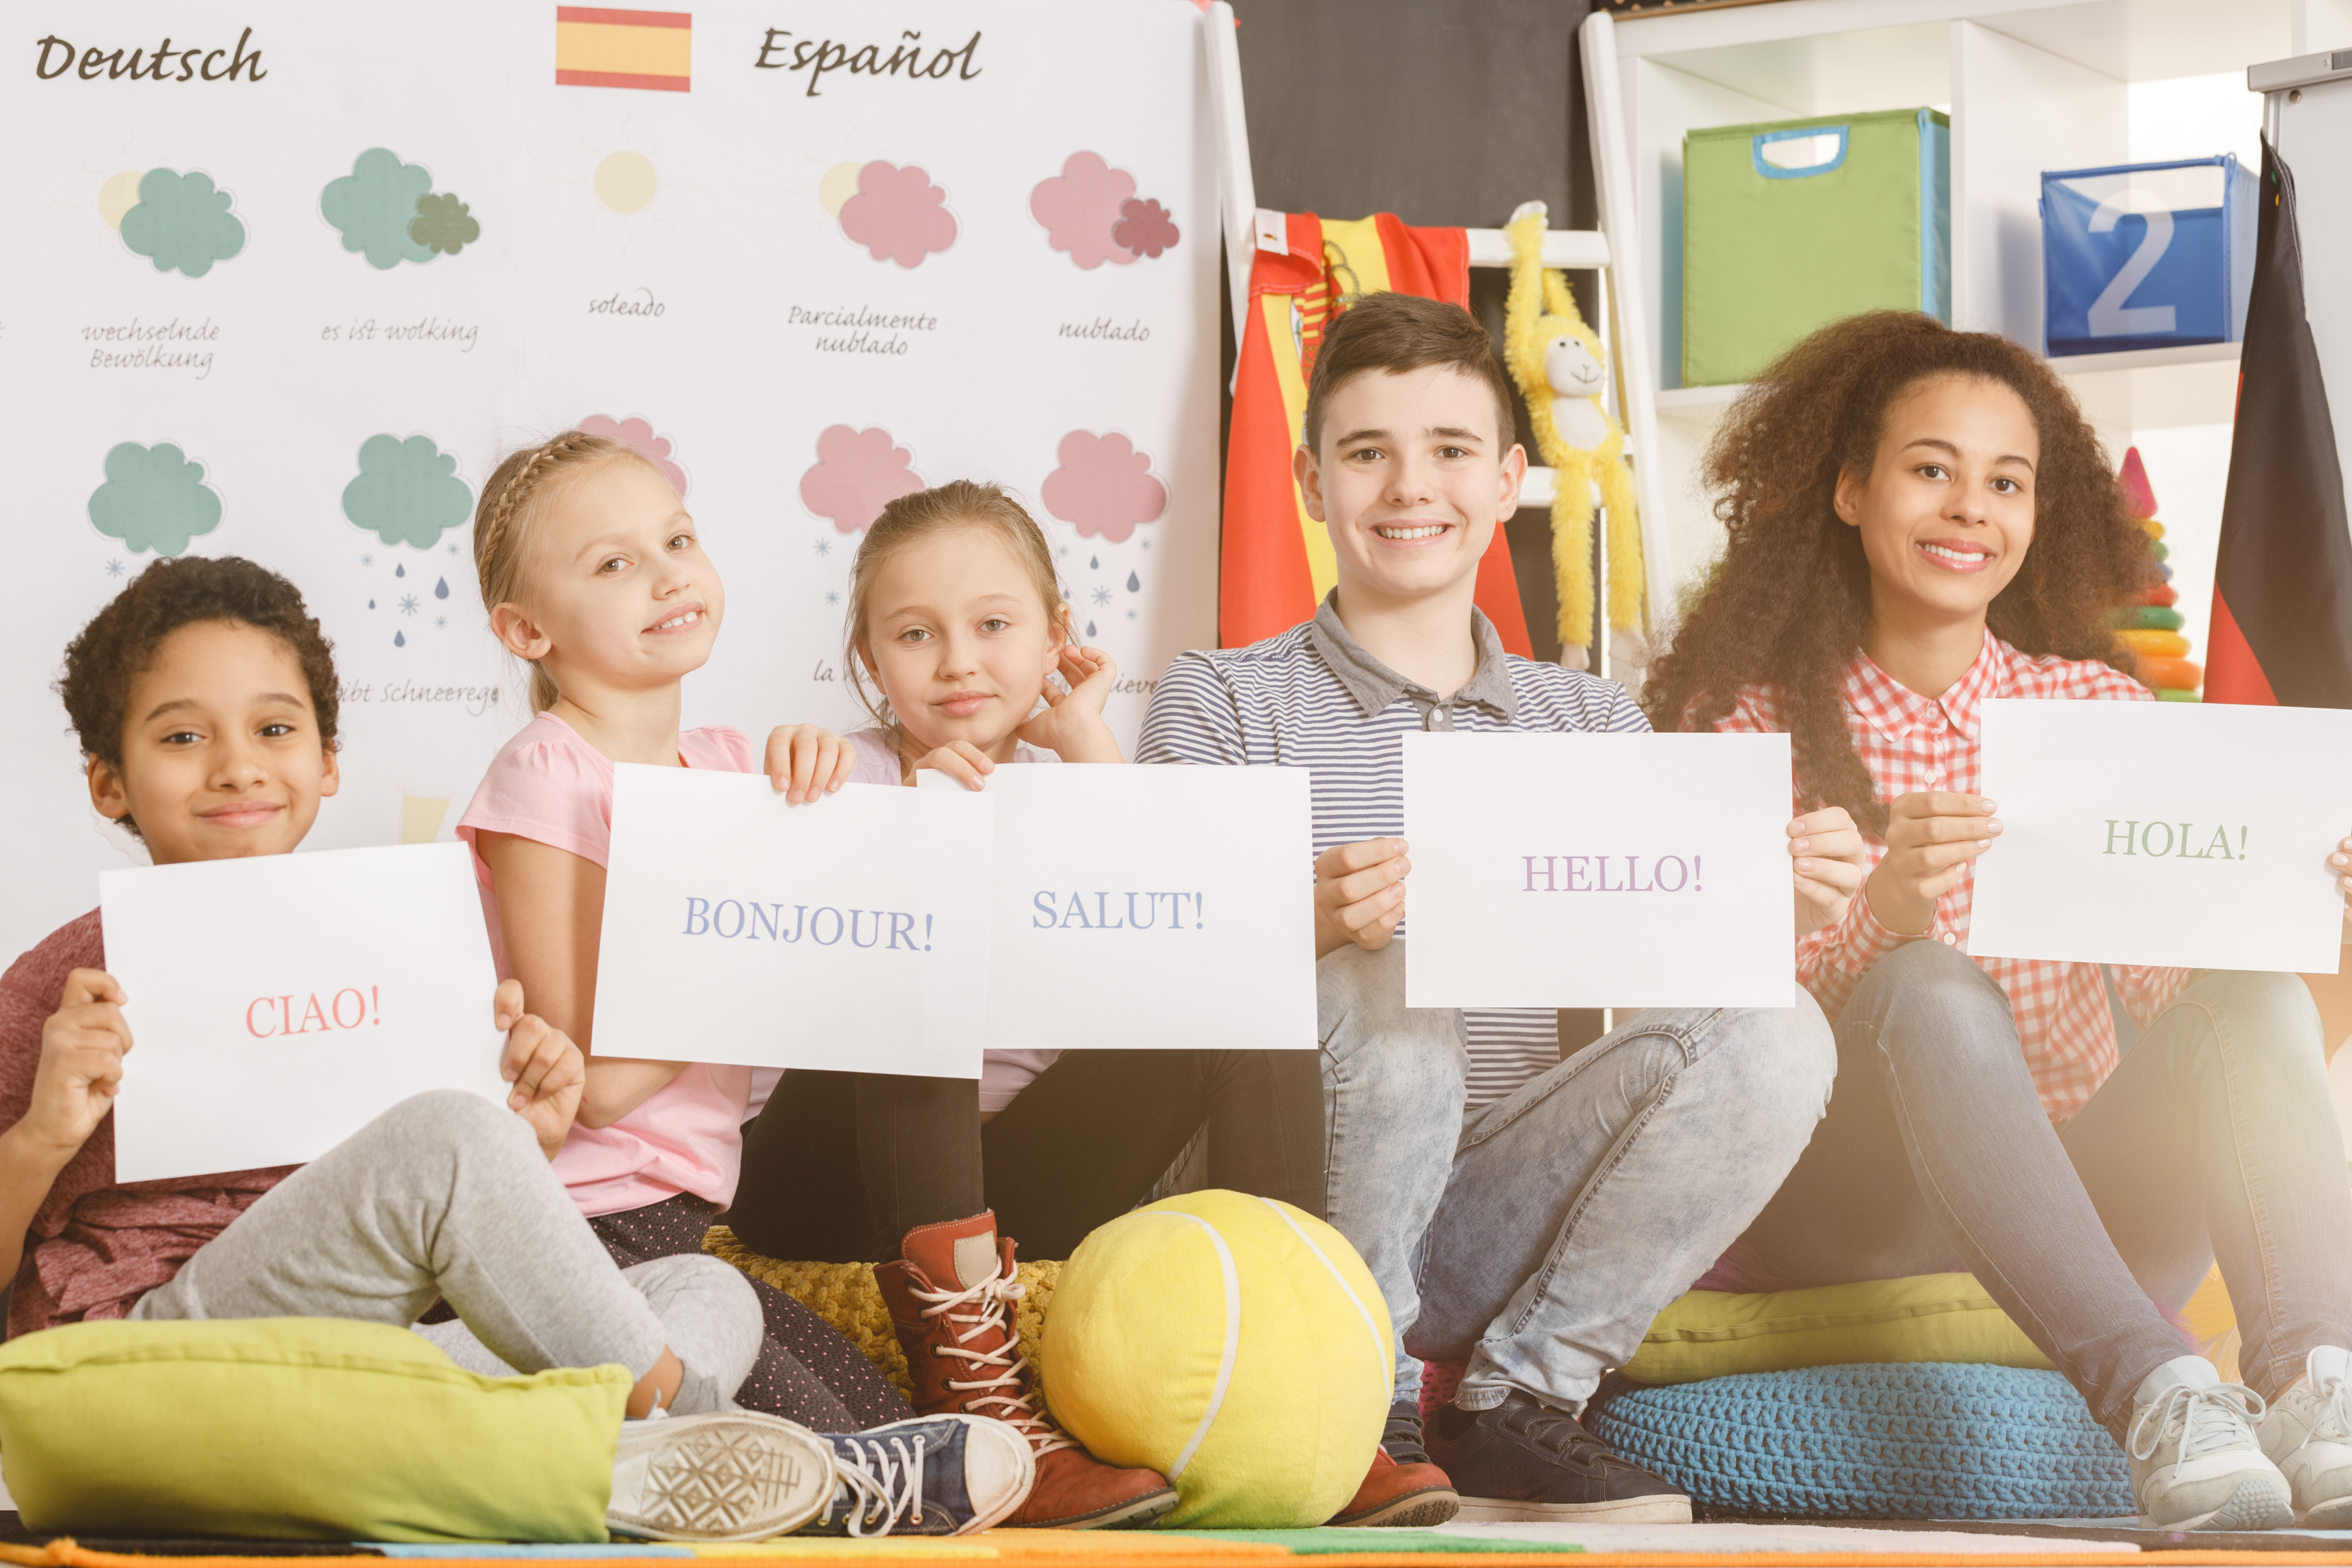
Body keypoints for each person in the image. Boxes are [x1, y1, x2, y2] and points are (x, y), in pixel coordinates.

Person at [4, 555, 1031, 1541]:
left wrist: (527, 1139)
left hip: (363, 1354)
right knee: (451, 1142)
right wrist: (45, 1135)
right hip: (153, 1347)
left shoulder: (389, 946)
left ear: (325, 765)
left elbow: (405, 1217)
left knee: (698, 1289)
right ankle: (780, 1464)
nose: (236, 766)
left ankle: (630, 1463)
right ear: (108, 782)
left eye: (274, 728)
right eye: (182, 739)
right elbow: (425, 1162)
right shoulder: (71, 980)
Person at [1136, 292, 1850, 1524]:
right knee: (1379, 987)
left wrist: (1767, 900)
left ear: (1513, 477)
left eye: (1453, 451)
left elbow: (1670, 981)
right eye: (1368, 453)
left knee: (1780, 1020)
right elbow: (1140, 983)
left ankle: (1519, 1398)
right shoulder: (1221, 701)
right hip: (1285, 1211)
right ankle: (1363, 1400)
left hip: (1486, 1215)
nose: (1411, 486)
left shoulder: (1594, 721)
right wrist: (1291, 922)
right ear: (1312, 481)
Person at [1647, 310, 2352, 1531]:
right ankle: (2156, 1398)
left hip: (2084, 1204)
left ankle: (2315, 1385)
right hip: (1846, 1205)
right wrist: (1885, 914)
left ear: (2042, 515)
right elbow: (1713, 1042)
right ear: (1854, 491)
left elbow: (2177, 1005)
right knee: (1928, 983)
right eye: (1932, 469)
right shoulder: (1741, 724)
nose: (1971, 507)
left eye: (2006, 482)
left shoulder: (2096, 711)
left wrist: (2303, 924)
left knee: (2250, 993)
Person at [737, 479, 1324, 1527]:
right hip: (828, 1175)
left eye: (995, 626)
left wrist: (1086, 740)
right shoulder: (846, 778)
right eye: (916, 635)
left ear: (1056, 635)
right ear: (870, 663)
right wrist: (805, 776)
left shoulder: (1074, 774)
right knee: (917, 972)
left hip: (1018, 1184)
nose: (959, 660)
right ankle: (980, 1406)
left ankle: (1306, 1356)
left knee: (1239, 987)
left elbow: (1157, 955)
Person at [454, 430, 916, 1434]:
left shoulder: (732, 765)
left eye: (678, 541)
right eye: (615, 564)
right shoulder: (547, 772)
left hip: (688, 1224)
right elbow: (594, 1084)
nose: (668, 578)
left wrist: (820, 774)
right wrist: (752, 963)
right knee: (841, 1457)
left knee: (882, 1421)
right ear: (527, 630)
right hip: (578, 1226)